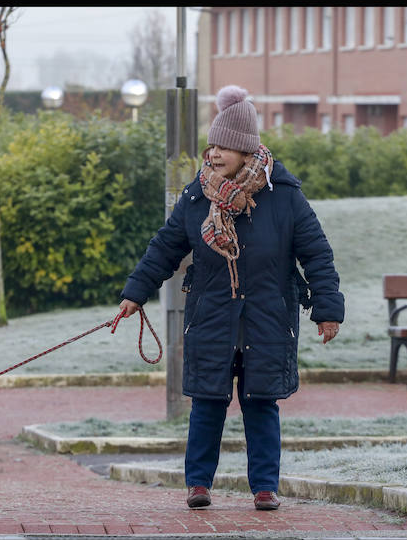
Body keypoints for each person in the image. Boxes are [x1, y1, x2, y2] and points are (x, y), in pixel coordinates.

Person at [118, 85, 344, 510]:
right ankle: (199, 484)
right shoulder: (196, 196)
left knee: (261, 405)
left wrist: (327, 311)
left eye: (224, 147)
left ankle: (264, 488)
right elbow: (165, 248)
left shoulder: (285, 196)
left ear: (246, 150)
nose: (215, 154)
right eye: (212, 145)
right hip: (212, 316)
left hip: (269, 317)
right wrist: (135, 293)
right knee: (207, 403)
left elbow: (317, 254)